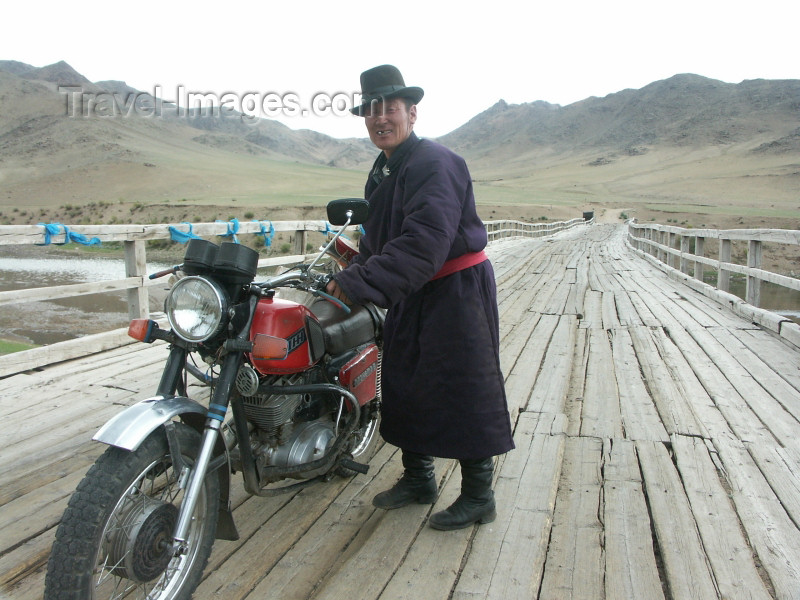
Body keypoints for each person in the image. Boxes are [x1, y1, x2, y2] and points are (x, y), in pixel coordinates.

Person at [326, 65, 514, 531]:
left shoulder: (435, 162)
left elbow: (424, 243)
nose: (380, 118)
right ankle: (419, 479)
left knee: (464, 384)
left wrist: (357, 285)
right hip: (413, 287)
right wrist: (355, 268)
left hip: (454, 288)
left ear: (412, 112)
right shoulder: (384, 169)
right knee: (406, 381)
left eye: (390, 108)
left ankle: (479, 496)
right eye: (371, 110)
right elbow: (380, 237)